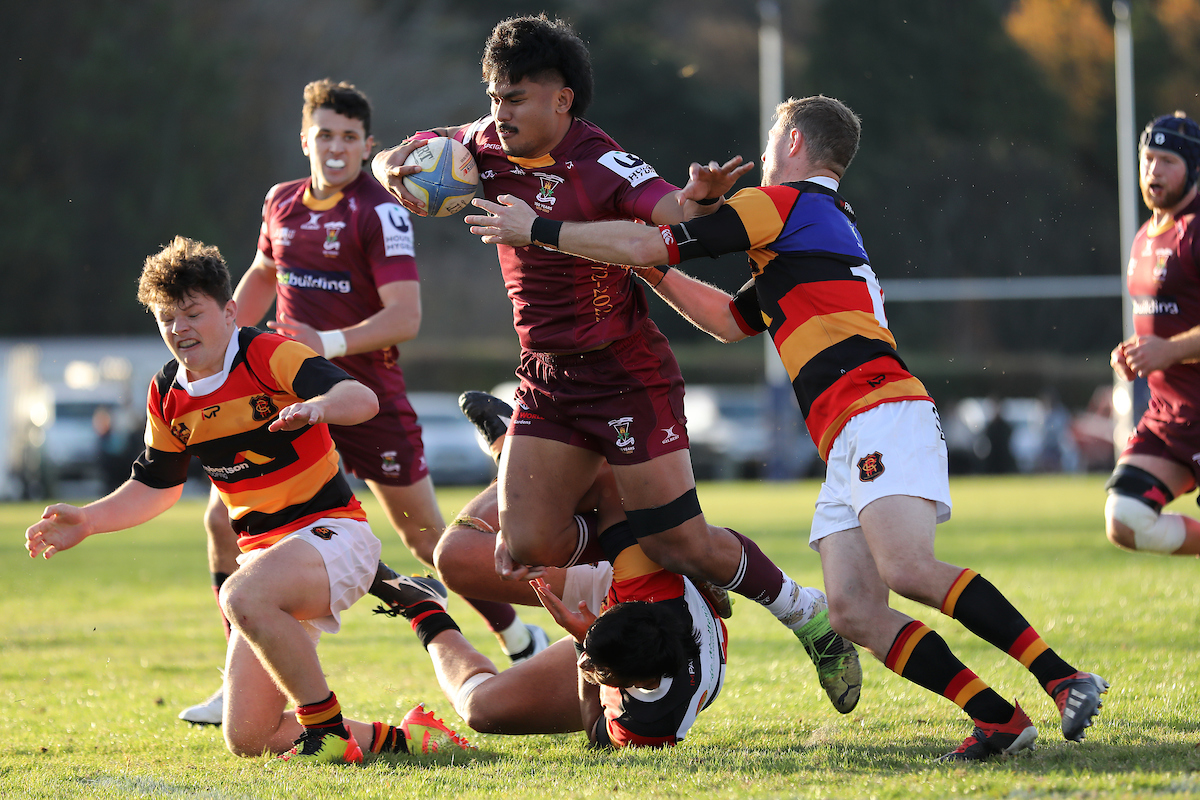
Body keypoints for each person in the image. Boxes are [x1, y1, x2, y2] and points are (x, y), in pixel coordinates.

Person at [464, 94, 1110, 762]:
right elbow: (726, 321)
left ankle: (1063, 677)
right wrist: (643, 268)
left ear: (794, 142)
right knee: (855, 611)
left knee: (910, 569)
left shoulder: (784, 204)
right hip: (848, 432)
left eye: (771, 142)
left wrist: (540, 230)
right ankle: (997, 718)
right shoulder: (809, 224)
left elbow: (652, 238)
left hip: (877, 408)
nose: (765, 155)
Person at [372, 14, 861, 716]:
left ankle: (806, 615)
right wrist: (399, 167)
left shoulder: (601, 161)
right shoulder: (481, 145)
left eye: (513, 97)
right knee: (526, 546)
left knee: (684, 540)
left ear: (561, 99)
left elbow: (666, 213)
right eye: (492, 96)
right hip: (547, 376)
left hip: (626, 376)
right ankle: (625, 564)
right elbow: (407, 154)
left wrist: (697, 198)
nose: (497, 113)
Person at [179, 79, 546, 726]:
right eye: (325, 134)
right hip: (290, 398)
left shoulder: (382, 210)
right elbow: (264, 276)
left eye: (350, 137)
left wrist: (330, 339)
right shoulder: (280, 203)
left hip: (367, 400)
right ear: (305, 139)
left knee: (429, 540)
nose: (336, 147)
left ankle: (517, 635)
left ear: (368, 145)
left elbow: (406, 316)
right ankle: (236, 677)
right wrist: (230, 346)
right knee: (222, 523)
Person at [25, 237, 471, 763]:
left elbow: (363, 398)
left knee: (241, 595)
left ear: (230, 310)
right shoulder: (168, 392)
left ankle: (326, 733)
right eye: (166, 318)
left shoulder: (266, 355)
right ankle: (401, 738)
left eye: (192, 313)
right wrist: (89, 521)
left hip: (334, 536)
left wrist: (317, 408)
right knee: (249, 737)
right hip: (269, 561)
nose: (179, 329)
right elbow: (155, 487)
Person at [1106, 111, 1200, 558]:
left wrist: (1170, 351)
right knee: (1125, 517)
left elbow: (1170, 341)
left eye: (1167, 161)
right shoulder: (1145, 235)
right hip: (1172, 416)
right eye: (1148, 160)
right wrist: (1132, 355)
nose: (1153, 171)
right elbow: (1158, 321)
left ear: (1193, 167)